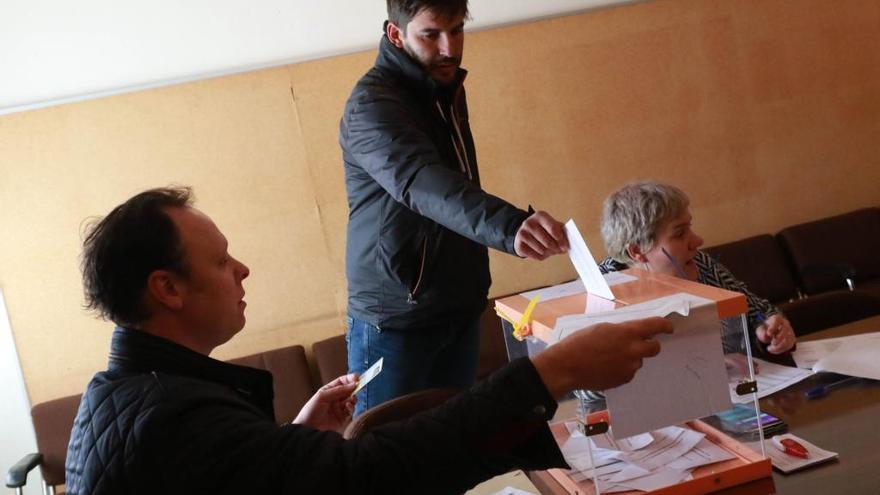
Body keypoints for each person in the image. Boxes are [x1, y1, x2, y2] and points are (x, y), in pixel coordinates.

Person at [65, 186, 672, 494]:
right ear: (167, 289)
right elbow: (369, 477)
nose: (242, 272)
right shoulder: (169, 416)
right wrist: (548, 375)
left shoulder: (132, 394)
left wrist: (293, 443)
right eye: (222, 261)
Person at [339, 0, 569, 416]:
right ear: (396, 34)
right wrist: (511, 225)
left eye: (458, 30)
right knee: (384, 460)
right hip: (395, 318)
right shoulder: (370, 106)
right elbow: (423, 183)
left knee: (452, 448)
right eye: (431, 35)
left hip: (458, 304)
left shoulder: (441, 91)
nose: (450, 47)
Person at [598, 180, 796, 360]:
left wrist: (767, 329)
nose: (698, 241)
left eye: (689, 227)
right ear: (637, 251)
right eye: (680, 233)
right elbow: (593, 388)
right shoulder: (601, 295)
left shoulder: (699, 263)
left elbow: (755, 308)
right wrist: (703, 365)